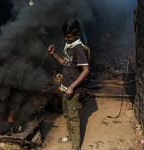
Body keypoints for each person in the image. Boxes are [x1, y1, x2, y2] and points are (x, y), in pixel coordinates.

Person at [47, 19, 90, 150]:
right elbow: (65, 64)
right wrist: (54, 54)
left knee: (73, 117)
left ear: (77, 35)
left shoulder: (79, 48)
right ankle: (72, 137)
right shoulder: (68, 46)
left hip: (73, 90)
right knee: (67, 115)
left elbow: (86, 70)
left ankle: (76, 146)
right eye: (65, 36)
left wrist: (72, 86)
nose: (66, 39)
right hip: (65, 88)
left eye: (69, 36)